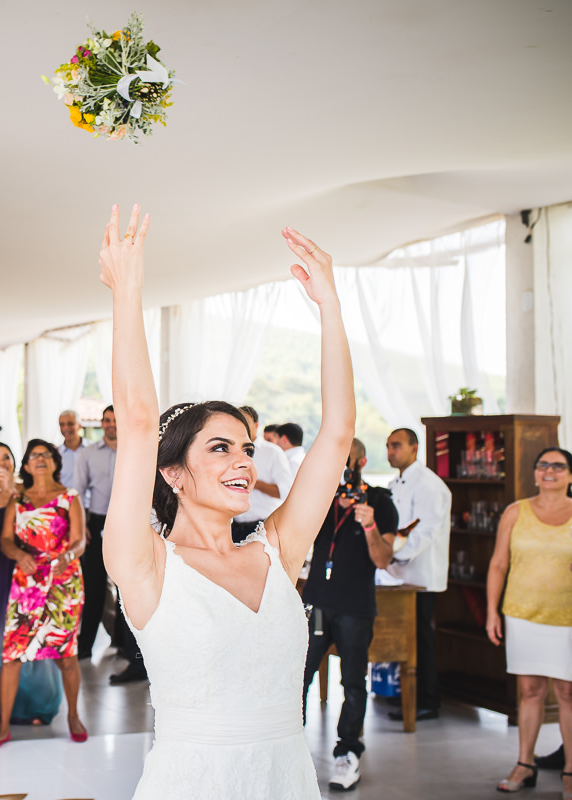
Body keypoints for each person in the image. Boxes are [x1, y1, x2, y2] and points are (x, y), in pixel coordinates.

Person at [101, 205, 354, 798]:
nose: (243, 461)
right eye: (219, 449)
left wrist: (331, 306)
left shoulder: (277, 551)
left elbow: (337, 433)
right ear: (174, 473)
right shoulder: (144, 564)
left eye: (245, 448)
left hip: (286, 779)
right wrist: (128, 290)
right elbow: (138, 421)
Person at [301, 437, 399, 791]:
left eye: (346, 462)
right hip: (318, 603)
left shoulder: (381, 502)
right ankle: (289, 747)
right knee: (299, 674)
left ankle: (348, 752)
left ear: (360, 463)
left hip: (355, 607)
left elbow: (384, 560)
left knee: (354, 682)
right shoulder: (319, 500)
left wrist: (370, 525)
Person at [0, 438, 87, 750]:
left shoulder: (70, 498)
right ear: (26, 465)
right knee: (12, 655)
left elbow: (80, 541)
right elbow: (3, 540)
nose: (39, 459)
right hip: (27, 584)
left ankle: (73, 716)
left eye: (46, 454)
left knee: (67, 656)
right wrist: (17, 554)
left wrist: (69, 556)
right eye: (33, 455)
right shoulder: (18, 500)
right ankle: (2, 727)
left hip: (63, 584)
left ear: (56, 462)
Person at [485, 446, 572, 795]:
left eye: (557, 466)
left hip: (567, 617)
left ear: (569, 474)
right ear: (535, 472)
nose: (548, 471)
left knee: (567, 692)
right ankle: (525, 763)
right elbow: (498, 564)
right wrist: (492, 610)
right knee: (530, 690)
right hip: (522, 613)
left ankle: (570, 770)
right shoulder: (515, 512)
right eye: (542, 465)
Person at [0, 442, 64, 728]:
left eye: (5, 458)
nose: (0, 463)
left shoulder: (29, 492)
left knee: (30, 636)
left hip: (29, 568)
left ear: (16, 463)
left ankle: (39, 706)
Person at [384, 426, 452, 722]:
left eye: (396, 445)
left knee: (419, 638)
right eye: (388, 446)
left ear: (415, 447)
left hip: (421, 574)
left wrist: (394, 554)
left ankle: (427, 700)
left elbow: (426, 531)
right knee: (404, 638)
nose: (390, 452)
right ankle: (408, 695)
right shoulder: (395, 482)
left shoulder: (428, 484)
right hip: (398, 572)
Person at [70, 406, 119, 663]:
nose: (111, 424)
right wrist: (82, 525)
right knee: (93, 586)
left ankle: (124, 644)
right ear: (102, 423)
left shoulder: (134, 453)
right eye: (107, 420)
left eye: (115, 420)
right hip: (96, 521)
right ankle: (85, 644)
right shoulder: (88, 454)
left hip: (126, 524)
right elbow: (76, 491)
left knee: (126, 587)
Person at [231, 407, 293, 543]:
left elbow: (284, 491)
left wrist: (252, 482)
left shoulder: (273, 452)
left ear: (256, 425)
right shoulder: (229, 451)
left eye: (245, 422)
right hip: (232, 525)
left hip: (263, 526)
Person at [58, 410, 86, 482]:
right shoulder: (56, 454)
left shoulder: (93, 450)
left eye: (70, 424)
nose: (66, 428)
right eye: (62, 424)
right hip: (64, 493)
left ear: (79, 426)